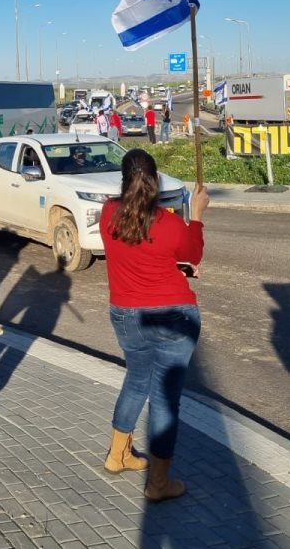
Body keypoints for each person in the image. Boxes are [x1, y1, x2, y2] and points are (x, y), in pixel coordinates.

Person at [100, 148, 207, 500]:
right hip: (172, 315)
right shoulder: (172, 224)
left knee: (136, 380)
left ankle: (118, 455)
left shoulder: (107, 214)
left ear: (123, 179)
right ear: (156, 180)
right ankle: (159, 484)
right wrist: (198, 215)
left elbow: (137, 250)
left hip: (126, 313)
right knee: (165, 400)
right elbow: (190, 255)